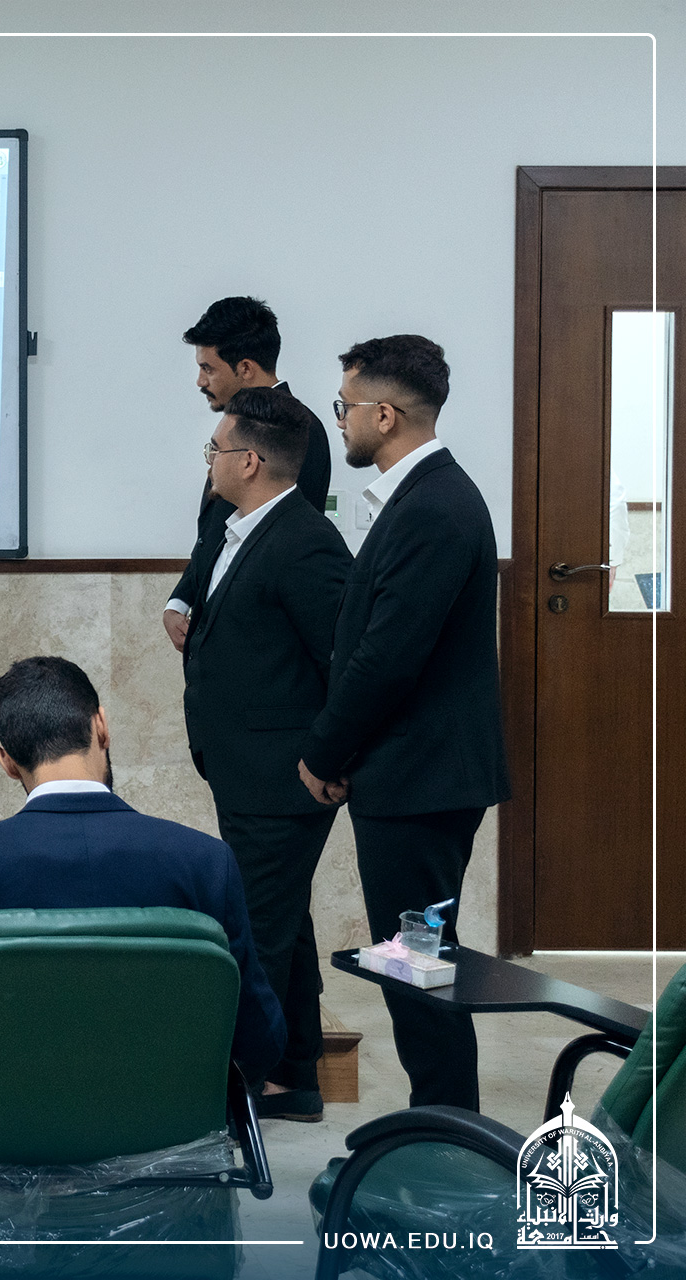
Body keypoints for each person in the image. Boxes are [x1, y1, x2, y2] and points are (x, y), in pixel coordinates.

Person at [0, 655, 285, 1135]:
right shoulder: (206, 862)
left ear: (6, 762)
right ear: (102, 726)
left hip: (1, 1130)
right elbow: (262, 1039)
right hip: (158, 1128)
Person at [299, 335, 509, 1112]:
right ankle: (441, 1123)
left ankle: (446, 1131)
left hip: (423, 778)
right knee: (415, 963)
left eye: (345, 406)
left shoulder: (436, 506)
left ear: (384, 415)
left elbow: (388, 658)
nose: (341, 421)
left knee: (419, 967)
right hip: (415, 772)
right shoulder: (424, 496)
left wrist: (324, 752)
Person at [181, 386, 352, 1122]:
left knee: (255, 930)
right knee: (284, 921)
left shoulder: (305, 540)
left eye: (216, 450)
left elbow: (343, 660)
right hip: (245, 769)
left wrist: (326, 758)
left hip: (284, 776)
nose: (209, 462)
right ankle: (294, 1075)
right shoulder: (237, 528)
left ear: (250, 461)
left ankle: (236, 1095)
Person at [164, 297, 334, 652]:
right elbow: (217, 531)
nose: (199, 380)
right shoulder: (236, 426)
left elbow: (283, 541)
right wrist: (180, 600)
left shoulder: (296, 430)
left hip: (257, 640)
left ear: (245, 368)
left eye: (208, 368)